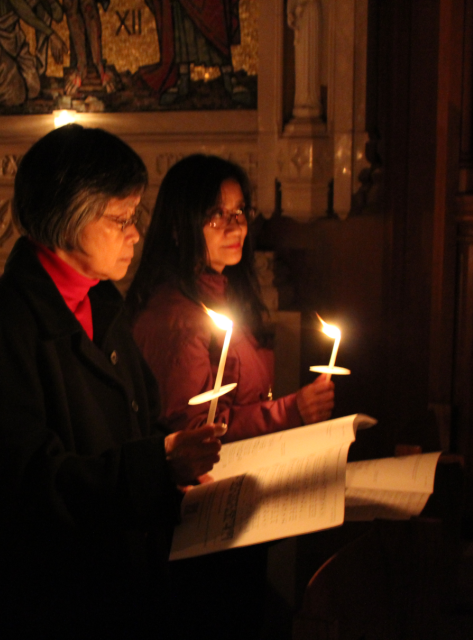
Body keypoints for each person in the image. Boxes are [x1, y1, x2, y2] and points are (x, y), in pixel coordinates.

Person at [0, 124, 224, 639]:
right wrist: (159, 463)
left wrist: (181, 454)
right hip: (49, 606)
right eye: (120, 219)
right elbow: (30, 487)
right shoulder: (5, 326)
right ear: (66, 221)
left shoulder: (101, 302)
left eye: (135, 216)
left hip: (117, 587)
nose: (136, 233)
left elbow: (133, 419)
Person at [126, 154, 333, 638]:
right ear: (181, 225)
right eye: (216, 214)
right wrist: (291, 410)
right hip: (198, 520)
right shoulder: (174, 316)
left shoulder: (224, 294)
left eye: (240, 211)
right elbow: (191, 431)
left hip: (237, 503)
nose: (235, 224)